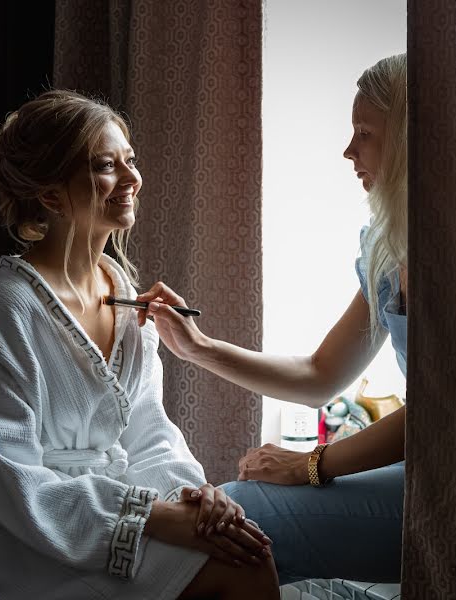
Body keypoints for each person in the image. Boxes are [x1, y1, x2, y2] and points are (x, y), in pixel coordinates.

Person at [0, 90, 279, 600]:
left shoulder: (126, 295)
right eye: (107, 166)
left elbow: (149, 431)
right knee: (236, 569)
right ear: (50, 194)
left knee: (248, 550)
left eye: (131, 161)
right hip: (15, 529)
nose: (132, 179)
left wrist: (192, 498)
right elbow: (8, 474)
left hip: (112, 505)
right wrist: (150, 517)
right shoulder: (9, 309)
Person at [133, 54, 408, 584]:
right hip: (415, 470)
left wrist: (311, 465)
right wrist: (199, 348)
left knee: (235, 522)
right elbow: (320, 377)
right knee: (231, 513)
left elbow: (443, 417)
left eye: (364, 133)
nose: (348, 151)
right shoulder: (384, 248)